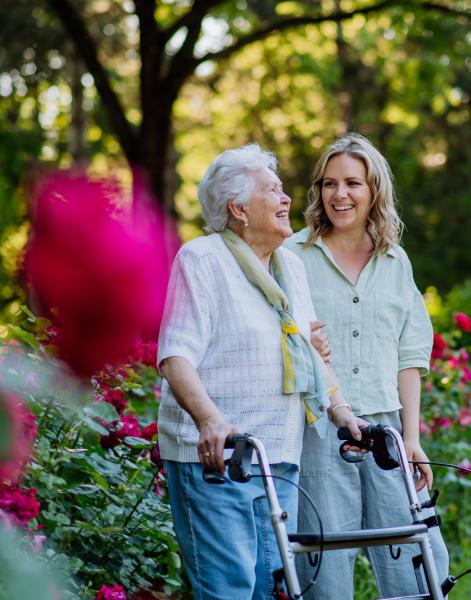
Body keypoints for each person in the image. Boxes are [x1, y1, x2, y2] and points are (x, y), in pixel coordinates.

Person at [157, 144, 363, 600]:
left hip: (278, 457)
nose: (287, 198)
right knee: (230, 589)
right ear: (238, 208)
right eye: (273, 190)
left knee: (273, 590)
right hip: (217, 459)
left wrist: (342, 411)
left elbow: (308, 353)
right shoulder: (203, 260)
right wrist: (210, 420)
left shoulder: (289, 265)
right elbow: (175, 354)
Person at [286, 133, 449, 599]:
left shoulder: (396, 263)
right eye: (329, 183)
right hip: (318, 430)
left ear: (374, 189)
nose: (340, 195)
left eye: (353, 183)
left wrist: (411, 438)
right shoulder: (293, 257)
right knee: (324, 569)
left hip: (385, 431)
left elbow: (410, 357)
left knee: (416, 564)